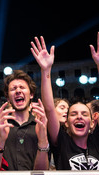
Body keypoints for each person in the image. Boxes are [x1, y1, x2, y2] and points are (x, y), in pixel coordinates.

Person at [31, 35, 99, 170]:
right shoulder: (62, 142)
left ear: (92, 122)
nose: (79, 116)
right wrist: (45, 70)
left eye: (85, 114)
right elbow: (50, 109)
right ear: (66, 122)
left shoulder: (97, 141)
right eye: (73, 113)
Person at [0, 70, 49, 170]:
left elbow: (42, 171)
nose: (18, 91)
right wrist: (1, 140)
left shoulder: (40, 125)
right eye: (13, 89)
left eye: (22, 87)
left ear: (31, 94)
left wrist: (42, 141)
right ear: (8, 98)